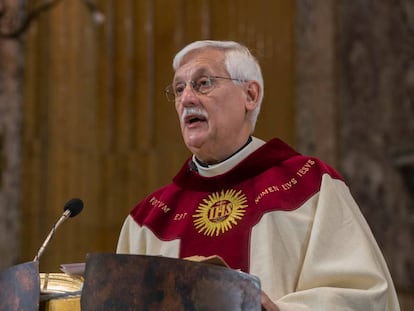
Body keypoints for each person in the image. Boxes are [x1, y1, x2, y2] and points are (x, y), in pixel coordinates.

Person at [116, 40, 400, 310]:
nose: (187, 98)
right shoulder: (148, 218)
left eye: (203, 83)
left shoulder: (309, 185)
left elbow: (362, 294)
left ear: (250, 95)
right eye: (179, 89)